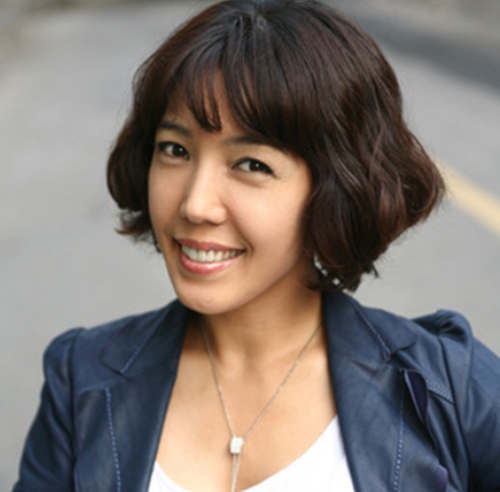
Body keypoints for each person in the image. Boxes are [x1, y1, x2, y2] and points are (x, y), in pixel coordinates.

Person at [13, 0, 500, 491]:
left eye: (251, 164)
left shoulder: (449, 389)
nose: (195, 204)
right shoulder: (81, 382)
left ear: (335, 187)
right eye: (175, 150)